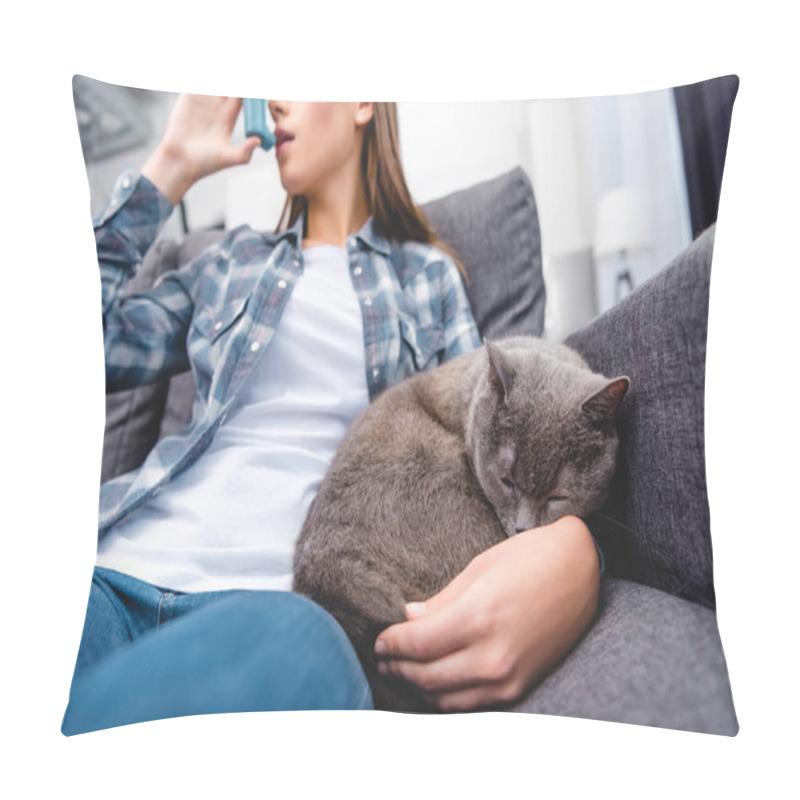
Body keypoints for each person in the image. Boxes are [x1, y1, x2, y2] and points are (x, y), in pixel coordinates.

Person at [62, 96, 601, 734]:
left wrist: (576, 551)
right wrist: (168, 169)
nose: (274, 102)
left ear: (361, 102)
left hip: (279, 607)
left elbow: (495, 443)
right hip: (105, 572)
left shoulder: (424, 276)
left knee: (296, 653)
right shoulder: (231, 261)